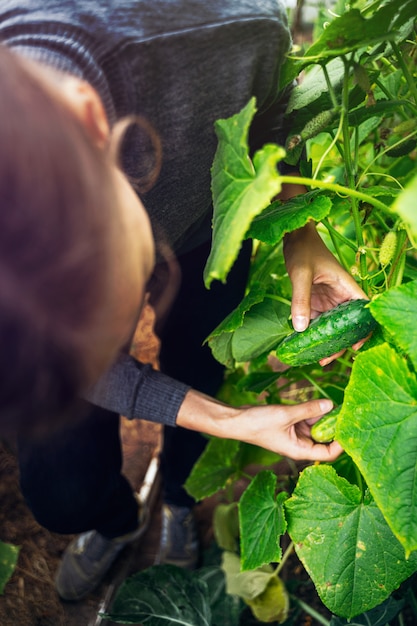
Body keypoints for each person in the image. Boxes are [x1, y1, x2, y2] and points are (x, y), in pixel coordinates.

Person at [0, 0, 365, 602]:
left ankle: (176, 495)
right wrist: (229, 421)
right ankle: (116, 520)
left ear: (91, 121)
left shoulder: (241, 28)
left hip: (203, 234)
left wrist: (301, 228)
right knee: (61, 491)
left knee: (198, 355)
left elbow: (270, 124)